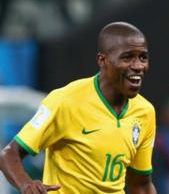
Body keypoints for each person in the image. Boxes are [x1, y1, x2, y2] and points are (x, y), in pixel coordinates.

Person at [0, 22, 157, 194]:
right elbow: (9, 154)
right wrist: (26, 184)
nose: (139, 66)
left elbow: (140, 185)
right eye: (127, 57)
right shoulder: (65, 101)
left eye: (143, 57)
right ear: (102, 60)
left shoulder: (145, 112)